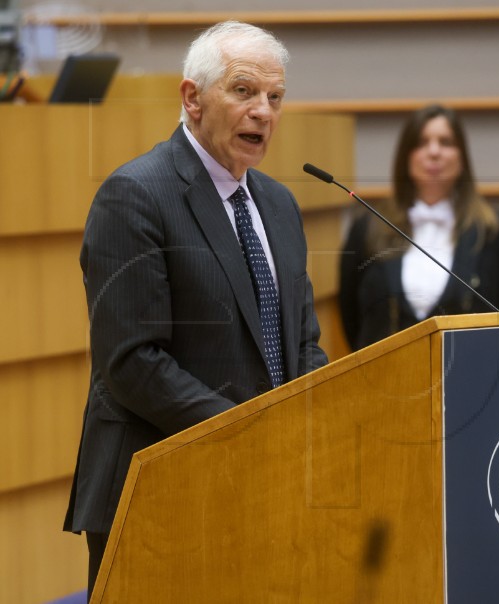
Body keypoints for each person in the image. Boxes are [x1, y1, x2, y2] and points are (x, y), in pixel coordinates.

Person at [63, 21, 328, 596]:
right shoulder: (135, 194)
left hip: (265, 488)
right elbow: (132, 361)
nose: (263, 112)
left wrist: (313, 422)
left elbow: (301, 342)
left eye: (275, 98)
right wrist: (250, 433)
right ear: (192, 98)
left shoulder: (279, 204)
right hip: (161, 490)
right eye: (243, 91)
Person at [338, 103, 499, 351]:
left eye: (446, 142)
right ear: (406, 156)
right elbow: (350, 317)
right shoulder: (366, 227)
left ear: (462, 156)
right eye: (421, 142)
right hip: (384, 382)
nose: (434, 151)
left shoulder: (495, 229)